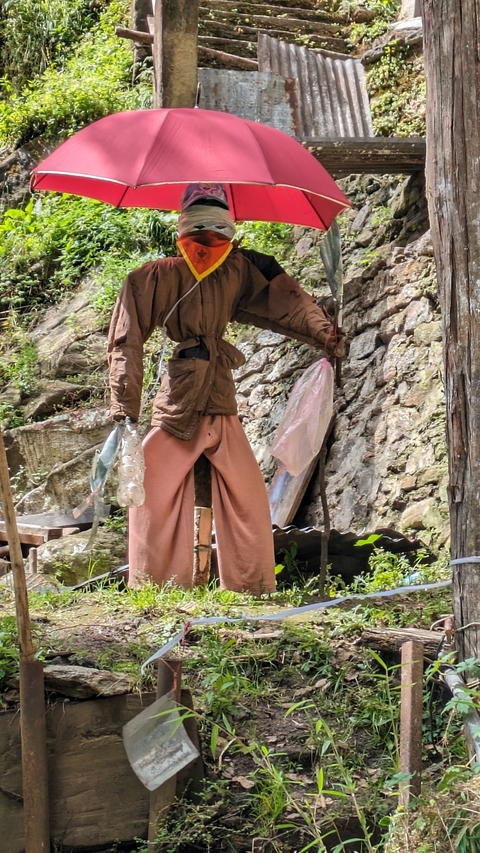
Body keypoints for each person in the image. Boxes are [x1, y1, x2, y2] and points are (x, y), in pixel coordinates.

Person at [108, 183, 344, 593]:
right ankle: (246, 586)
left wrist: (126, 410)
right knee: (245, 502)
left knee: (160, 499)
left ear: (180, 223)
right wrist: (326, 335)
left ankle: (156, 585)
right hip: (202, 397)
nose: (209, 243)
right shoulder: (240, 267)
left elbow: (124, 341)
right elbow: (285, 304)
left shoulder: (161, 274)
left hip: (192, 396)